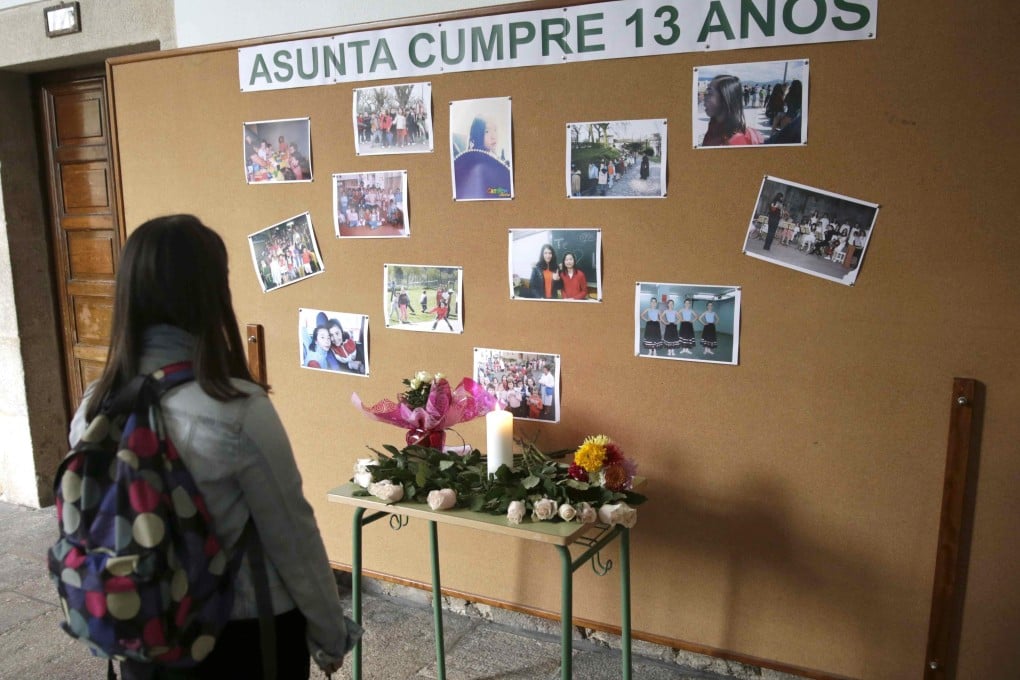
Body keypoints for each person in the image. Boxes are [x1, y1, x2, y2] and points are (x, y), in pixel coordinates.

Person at [68, 215, 360, 679]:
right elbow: (293, 536)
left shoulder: (94, 407)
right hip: (242, 633)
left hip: (142, 633)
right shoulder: (237, 408)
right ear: (210, 293)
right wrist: (328, 633)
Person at [701, 74, 763, 147]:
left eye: (710, 93)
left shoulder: (736, 141)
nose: (704, 98)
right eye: (706, 92)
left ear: (725, 99)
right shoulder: (714, 126)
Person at [766, 79, 803, 144]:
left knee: (777, 117)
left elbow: (785, 103)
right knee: (779, 117)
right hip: (798, 116)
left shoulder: (790, 95)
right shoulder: (802, 95)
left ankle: (773, 133)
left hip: (789, 115)